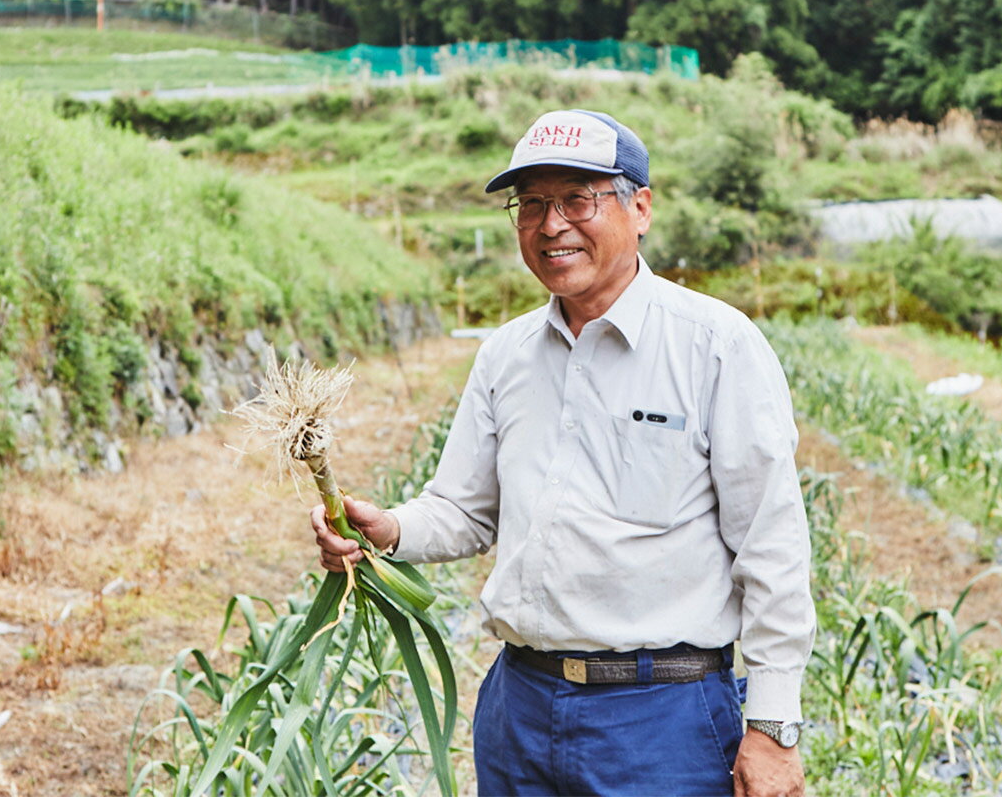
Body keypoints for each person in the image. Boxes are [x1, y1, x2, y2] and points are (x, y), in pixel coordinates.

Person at [312, 108, 815, 797]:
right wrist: (390, 530)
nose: (551, 225)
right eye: (533, 204)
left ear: (640, 209)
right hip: (521, 706)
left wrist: (774, 726)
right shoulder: (506, 355)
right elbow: (464, 509)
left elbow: (773, 544)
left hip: (661, 719)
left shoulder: (715, 345)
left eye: (578, 198)